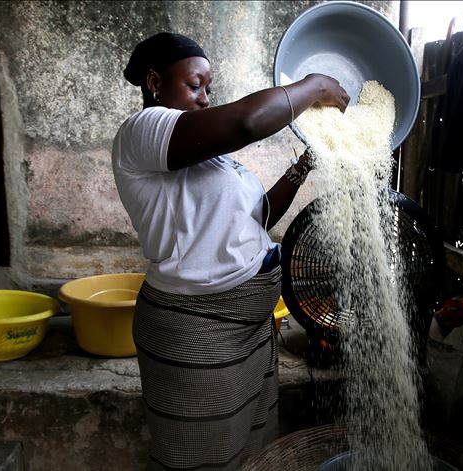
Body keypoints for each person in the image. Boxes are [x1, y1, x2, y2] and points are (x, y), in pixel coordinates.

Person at [112, 32, 348, 471]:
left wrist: (304, 166)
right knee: (201, 455)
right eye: (194, 85)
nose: (204, 98)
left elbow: (256, 220)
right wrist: (316, 86)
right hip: (197, 332)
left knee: (248, 450)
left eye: (208, 88)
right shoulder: (141, 131)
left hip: (249, 327)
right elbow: (246, 122)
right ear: (154, 82)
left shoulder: (212, 161)